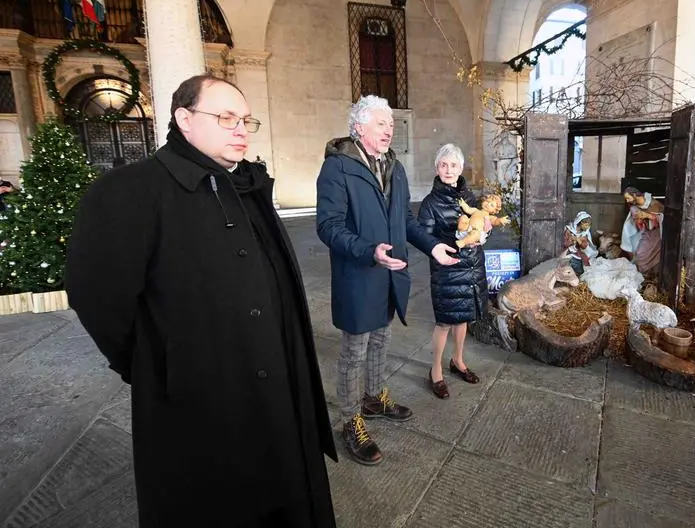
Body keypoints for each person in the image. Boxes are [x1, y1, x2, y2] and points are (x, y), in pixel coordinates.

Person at [65, 75, 337, 528]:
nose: (241, 130)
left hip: (275, 383)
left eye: (246, 120)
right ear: (184, 120)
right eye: (225, 118)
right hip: (199, 393)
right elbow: (97, 297)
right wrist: (155, 360)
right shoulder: (130, 190)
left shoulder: (246, 185)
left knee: (284, 486)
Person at [316, 95, 458, 466]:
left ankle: (375, 397)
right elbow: (328, 226)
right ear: (359, 128)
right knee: (354, 351)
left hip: (391, 274)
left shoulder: (394, 167)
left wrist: (433, 247)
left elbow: (407, 222)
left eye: (391, 124)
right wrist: (368, 250)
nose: (389, 129)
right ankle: (350, 419)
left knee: (382, 339)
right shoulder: (338, 168)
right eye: (382, 124)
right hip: (359, 275)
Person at [416, 144, 487, 399]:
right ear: (437, 168)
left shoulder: (469, 197)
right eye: (443, 165)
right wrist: (451, 240)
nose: (448, 170)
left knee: (463, 316)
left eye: (453, 165)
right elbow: (424, 238)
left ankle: (458, 360)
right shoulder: (430, 203)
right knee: (444, 322)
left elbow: (479, 222)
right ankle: (435, 371)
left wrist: (482, 235)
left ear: (460, 168)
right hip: (447, 268)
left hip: (472, 265)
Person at [620, 186, 664, 277]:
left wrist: (647, 215)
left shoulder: (653, 204)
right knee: (640, 254)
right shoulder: (634, 207)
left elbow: (663, 217)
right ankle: (644, 275)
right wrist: (639, 220)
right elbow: (636, 222)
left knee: (656, 256)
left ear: (635, 195)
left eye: (628, 198)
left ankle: (652, 275)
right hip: (646, 233)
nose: (627, 201)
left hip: (657, 234)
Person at [563, 210, 598, 275]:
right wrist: (573, 240)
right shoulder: (569, 230)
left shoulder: (584, 233)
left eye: (589, 225)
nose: (588, 227)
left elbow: (584, 246)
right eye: (586, 225)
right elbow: (565, 243)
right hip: (568, 251)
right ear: (581, 223)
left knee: (584, 265)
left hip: (578, 252)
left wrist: (579, 241)